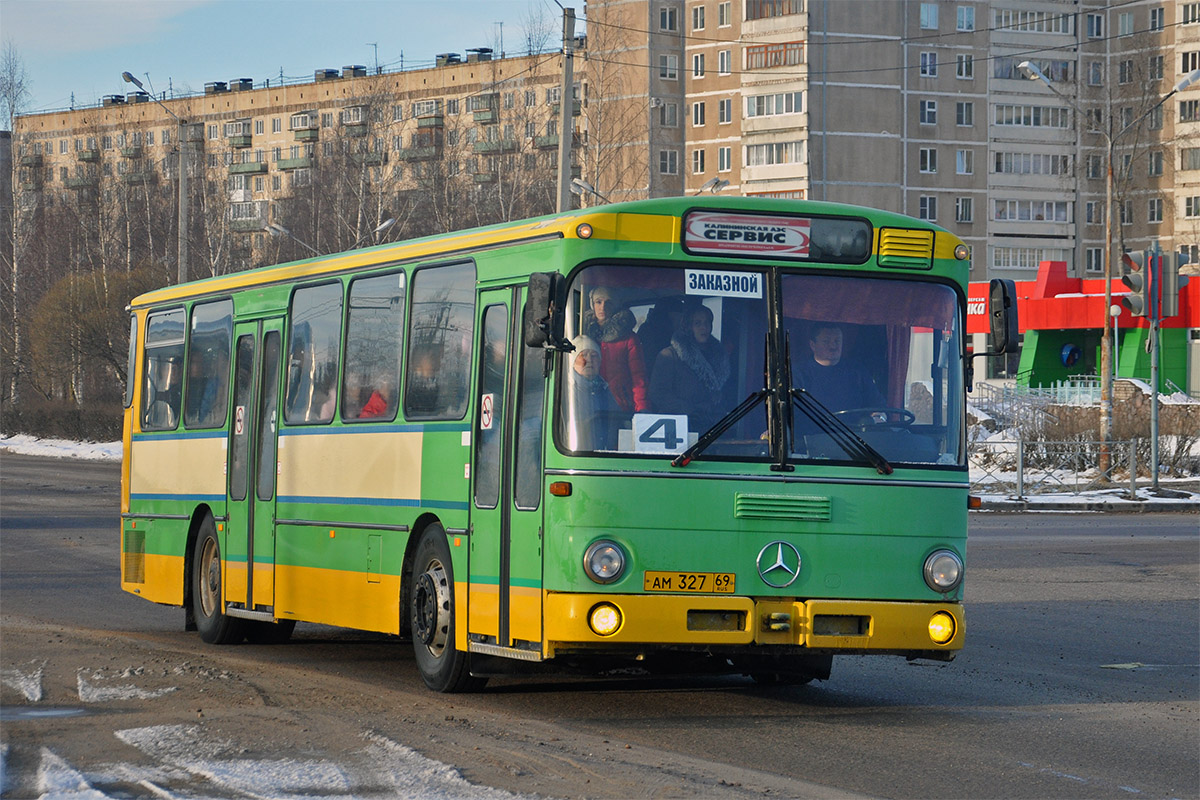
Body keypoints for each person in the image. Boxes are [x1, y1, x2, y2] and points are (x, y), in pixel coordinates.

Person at [649, 304, 731, 432]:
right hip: (677, 429)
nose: (704, 327)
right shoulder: (670, 355)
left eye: (707, 322)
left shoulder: (720, 358)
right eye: (697, 323)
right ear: (688, 326)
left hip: (713, 430)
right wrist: (690, 410)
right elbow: (658, 393)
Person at [582, 286, 648, 414]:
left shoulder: (629, 338)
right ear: (592, 305)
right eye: (598, 302)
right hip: (589, 406)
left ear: (616, 305)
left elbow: (638, 377)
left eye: (609, 302)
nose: (603, 307)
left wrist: (642, 409)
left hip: (620, 408)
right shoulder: (583, 335)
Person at [794, 323, 885, 415]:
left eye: (837, 341)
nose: (833, 346)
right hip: (813, 428)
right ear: (813, 345)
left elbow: (877, 404)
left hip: (852, 429)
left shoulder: (857, 371)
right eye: (826, 341)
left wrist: (879, 417)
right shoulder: (799, 374)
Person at [564, 335, 622, 451]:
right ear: (573, 361)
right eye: (583, 355)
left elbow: (618, 423)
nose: (589, 360)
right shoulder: (565, 390)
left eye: (594, 356)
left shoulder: (605, 389)